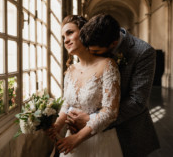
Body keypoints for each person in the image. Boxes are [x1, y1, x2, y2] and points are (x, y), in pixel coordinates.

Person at [66, 13, 160, 157]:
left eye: (96, 52)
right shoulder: (98, 33)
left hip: (127, 131)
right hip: (86, 134)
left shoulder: (143, 52)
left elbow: (137, 101)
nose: (93, 55)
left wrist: (92, 119)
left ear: (113, 44)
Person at [47, 15, 123, 157]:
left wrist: (77, 138)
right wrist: (58, 124)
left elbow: (110, 111)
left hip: (98, 142)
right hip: (71, 142)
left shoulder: (107, 65)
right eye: (63, 36)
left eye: (70, 33)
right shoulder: (70, 70)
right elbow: (66, 103)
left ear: (84, 32)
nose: (66, 40)